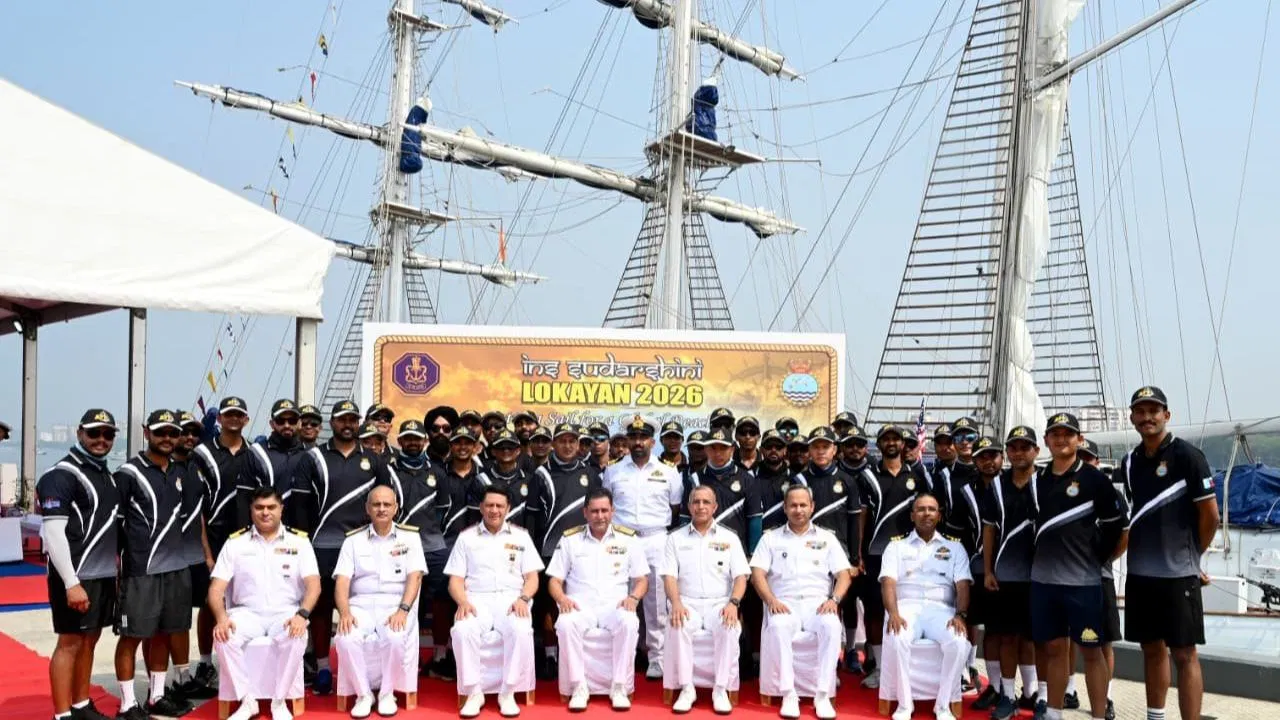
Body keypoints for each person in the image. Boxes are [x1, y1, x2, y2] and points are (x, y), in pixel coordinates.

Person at [1118, 386, 1218, 720]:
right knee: (1151, 649)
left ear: (1166, 415)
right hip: (1140, 574)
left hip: (1178, 575)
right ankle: (1155, 717)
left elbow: (1210, 516)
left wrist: (1193, 557)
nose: (1147, 417)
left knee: (1184, 654)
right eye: (1140, 411)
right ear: (1132, 417)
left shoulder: (1188, 457)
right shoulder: (1129, 462)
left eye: (1153, 410)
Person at [1030, 413, 1128, 720]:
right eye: (1055, 434)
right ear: (1046, 440)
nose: (1061, 439)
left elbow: (1116, 527)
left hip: (1083, 583)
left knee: (1092, 652)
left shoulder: (1095, 479)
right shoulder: (1036, 480)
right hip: (1044, 583)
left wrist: (1097, 558)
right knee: (1055, 650)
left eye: (1068, 434)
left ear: (1079, 439)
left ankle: (1098, 715)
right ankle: (1054, 713)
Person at [290, 400, 392, 695]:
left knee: (358, 609)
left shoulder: (373, 460)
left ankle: (364, 673)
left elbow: (384, 504)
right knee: (321, 609)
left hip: (363, 547)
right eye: (342, 419)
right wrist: (304, 546)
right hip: (323, 546)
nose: (347, 424)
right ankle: (323, 667)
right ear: (332, 422)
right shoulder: (312, 458)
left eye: (352, 419)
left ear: (358, 423)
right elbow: (300, 507)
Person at [37, 409, 121, 720]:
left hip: (102, 575)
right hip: (73, 576)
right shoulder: (60, 475)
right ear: (79, 433)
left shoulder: (105, 475)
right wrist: (71, 583)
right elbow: (53, 533)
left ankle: (81, 704)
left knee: (90, 640)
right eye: (94, 433)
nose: (101, 440)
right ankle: (62, 714)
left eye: (108, 434)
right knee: (70, 643)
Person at [209, 487, 320, 720]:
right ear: (251, 510)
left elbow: (314, 586)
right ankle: (247, 701)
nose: (265, 512)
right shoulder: (236, 543)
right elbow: (216, 589)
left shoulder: (299, 542)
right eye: (259, 508)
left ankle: (279, 701)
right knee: (222, 637)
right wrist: (221, 618)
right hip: (247, 613)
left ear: (281, 509)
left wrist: (302, 614)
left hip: (286, 612)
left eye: (271, 507)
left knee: (297, 635)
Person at [113, 410, 193, 719]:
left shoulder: (178, 472)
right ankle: (127, 703)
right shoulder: (128, 473)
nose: (167, 438)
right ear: (147, 433)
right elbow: (115, 524)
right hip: (140, 570)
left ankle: (156, 696)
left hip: (174, 568)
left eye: (173, 433)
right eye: (160, 432)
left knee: (164, 633)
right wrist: (116, 569)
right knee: (131, 636)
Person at [750, 485, 853, 720]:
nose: (798, 510)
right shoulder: (771, 538)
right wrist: (770, 600)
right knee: (778, 626)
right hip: (784, 603)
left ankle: (823, 694)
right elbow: (757, 574)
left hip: (818, 604)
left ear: (812, 507)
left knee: (832, 625)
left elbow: (844, 575)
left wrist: (834, 599)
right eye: (793, 505)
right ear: (785, 508)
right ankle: (788, 693)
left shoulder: (827, 538)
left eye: (803, 505)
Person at [547, 488, 650, 711]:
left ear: (613, 511)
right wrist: (562, 598)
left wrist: (633, 597)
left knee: (630, 621)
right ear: (585, 512)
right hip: (580, 606)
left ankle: (619, 686)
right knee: (565, 623)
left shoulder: (628, 539)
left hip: (615, 605)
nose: (600, 516)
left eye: (604, 510)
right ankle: (578, 686)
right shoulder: (570, 539)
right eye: (594, 511)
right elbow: (554, 580)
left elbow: (642, 579)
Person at [448, 487, 543, 718]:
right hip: (476, 599)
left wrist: (523, 598)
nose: (494, 510)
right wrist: (462, 601)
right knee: (462, 630)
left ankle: (507, 692)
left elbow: (532, 578)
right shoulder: (466, 537)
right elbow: (455, 580)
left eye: (499, 506)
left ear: (508, 508)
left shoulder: (521, 536)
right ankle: (474, 692)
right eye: (489, 505)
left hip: (512, 599)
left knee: (520, 629)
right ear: (481, 508)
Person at [334, 486, 425, 718]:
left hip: (394, 604)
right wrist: (345, 612)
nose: (382, 509)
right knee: (345, 637)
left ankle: (386, 694)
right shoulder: (353, 541)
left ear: (395, 508)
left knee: (395, 637)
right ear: (367, 508)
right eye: (376, 504)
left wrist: (403, 610)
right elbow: (342, 581)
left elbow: (415, 577)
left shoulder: (410, 538)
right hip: (361, 605)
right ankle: (364, 694)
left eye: (387, 504)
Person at [603, 416, 682, 680]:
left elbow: (675, 507)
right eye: (633, 437)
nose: (638, 442)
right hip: (622, 539)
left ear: (652, 441)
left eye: (643, 437)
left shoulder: (669, 471)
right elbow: (607, 505)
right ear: (627, 441)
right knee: (620, 595)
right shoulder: (613, 470)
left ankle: (657, 658)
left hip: (655, 538)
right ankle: (621, 655)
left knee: (657, 601)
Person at [879, 493, 971, 720]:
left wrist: (960, 615)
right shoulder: (896, 546)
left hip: (941, 609)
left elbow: (962, 585)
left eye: (931, 509)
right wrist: (893, 613)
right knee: (898, 637)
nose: (926, 513)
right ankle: (905, 704)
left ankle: (943, 705)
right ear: (912, 515)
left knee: (958, 641)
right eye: (921, 509)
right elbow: (888, 582)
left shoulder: (954, 547)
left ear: (939, 515)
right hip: (906, 607)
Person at [662, 485, 749, 714]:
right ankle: (686, 688)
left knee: (729, 626)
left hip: (719, 603)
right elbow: (669, 576)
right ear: (689, 506)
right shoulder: (675, 538)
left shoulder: (730, 538)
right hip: (687, 602)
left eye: (706, 502)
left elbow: (741, 577)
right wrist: (676, 603)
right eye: (696, 502)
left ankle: (720, 689)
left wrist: (733, 603)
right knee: (678, 624)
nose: (701, 506)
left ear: (715, 507)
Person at [529, 423, 603, 680]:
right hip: (550, 550)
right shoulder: (541, 474)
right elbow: (533, 517)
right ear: (554, 444)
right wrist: (534, 553)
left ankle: (581, 657)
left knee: (580, 601)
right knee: (550, 604)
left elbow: (598, 514)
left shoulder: (590, 473)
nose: (568, 445)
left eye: (572, 441)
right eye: (562, 441)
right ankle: (551, 655)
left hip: (583, 550)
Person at [980, 426, 1042, 719]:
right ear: (1007, 453)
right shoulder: (996, 485)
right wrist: (988, 570)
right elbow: (989, 530)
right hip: (1005, 575)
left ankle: (1035, 694)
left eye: (1025, 447)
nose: (1018, 453)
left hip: (1039, 575)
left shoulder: (1046, 482)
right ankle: (1007, 695)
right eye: (1013, 448)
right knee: (1006, 638)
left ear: (1036, 451)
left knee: (1033, 639)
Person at [856, 424, 920, 690]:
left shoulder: (918, 475)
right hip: (876, 553)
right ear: (879, 444)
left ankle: (906, 666)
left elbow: (926, 513)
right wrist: (859, 552)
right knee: (874, 611)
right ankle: (881, 668)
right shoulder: (867, 477)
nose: (891, 443)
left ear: (903, 444)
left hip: (909, 555)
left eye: (896, 439)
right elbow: (862, 516)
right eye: (886, 439)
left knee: (904, 609)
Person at [167, 410, 217, 703]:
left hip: (196, 556)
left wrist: (208, 554)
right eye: (183, 431)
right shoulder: (163, 467)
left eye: (194, 433)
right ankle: (170, 681)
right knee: (173, 621)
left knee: (206, 607)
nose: (189, 437)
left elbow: (199, 516)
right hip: (169, 558)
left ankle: (193, 672)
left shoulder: (195, 468)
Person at [247, 399, 308, 503]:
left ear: (299, 423)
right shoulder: (256, 453)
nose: (287, 425)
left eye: (292, 421)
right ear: (272, 424)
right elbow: (244, 496)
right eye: (280, 421)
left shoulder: (309, 455)